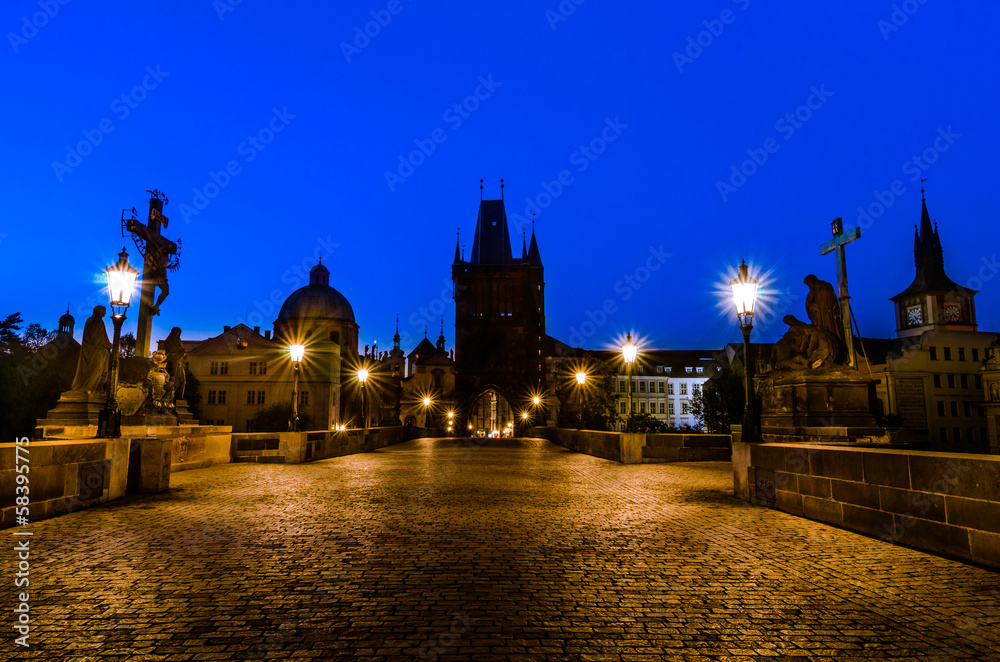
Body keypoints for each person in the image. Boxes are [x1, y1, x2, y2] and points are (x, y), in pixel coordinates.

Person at [70, 306, 112, 392]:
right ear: (99, 312)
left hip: (93, 350)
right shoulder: (97, 322)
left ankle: (93, 388)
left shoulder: (92, 321)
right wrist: (108, 345)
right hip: (96, 351)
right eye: (104, 311)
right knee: (96, 369)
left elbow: (99, 337)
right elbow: (96, 339)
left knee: (96, 370)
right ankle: (89, 387)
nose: (105, 313)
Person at [804, 274, 845, 362]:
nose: (809, 286)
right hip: (819, 318)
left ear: (813, 281)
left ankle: (838, 357)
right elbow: (808, 305)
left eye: (809, 284)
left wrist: (817, 307)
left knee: (831, 332)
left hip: (828, 317)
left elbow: (830, 302)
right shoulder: (813, 291)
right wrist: (812, 307)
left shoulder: (825, 286)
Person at [163, 326, 186, 402]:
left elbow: (182, 352)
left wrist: (183, 353)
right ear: (172, 332)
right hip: (172, 363)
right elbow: (167, 352)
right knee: (173, 380)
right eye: (175, 332)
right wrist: (177, 352)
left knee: (183, 380)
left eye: (178, 332)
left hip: (180, 363)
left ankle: (180, 397)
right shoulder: (168, 341)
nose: (176, 334)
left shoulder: (179, 341)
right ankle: (171, 398)